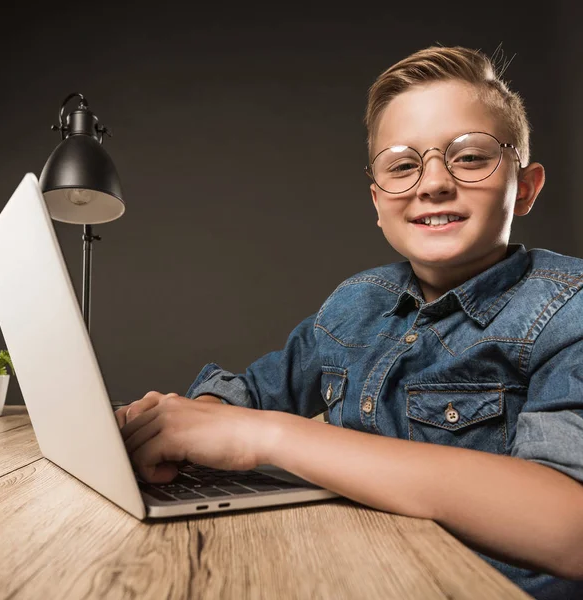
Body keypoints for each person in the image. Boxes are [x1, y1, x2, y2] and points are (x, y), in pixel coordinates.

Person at [115, 46, 583, 599]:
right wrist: (195, 422)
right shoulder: (355, 303)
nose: (432, 182)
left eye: (471, 156)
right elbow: (250, 393)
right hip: (340, 573)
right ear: (377, 200)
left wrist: (269, 435)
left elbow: (568, 529)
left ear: (525, 187)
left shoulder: (567, 308)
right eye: (403, 164)